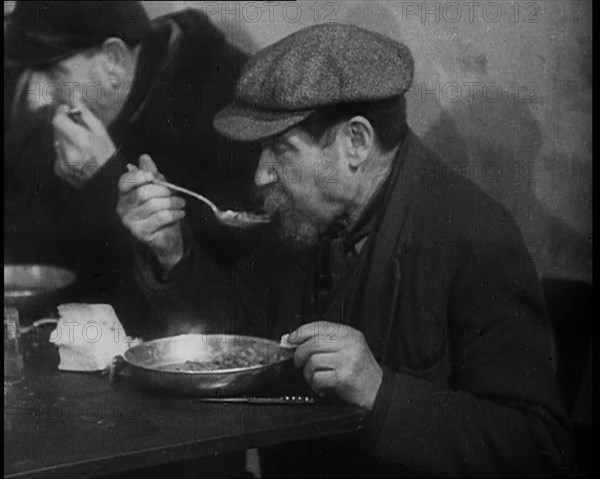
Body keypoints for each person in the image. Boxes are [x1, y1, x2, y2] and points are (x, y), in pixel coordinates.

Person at [118, 24, 574, 476]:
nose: (261, 176)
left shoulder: (475, 237)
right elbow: (238, 345)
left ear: (356, 142)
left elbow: (538, 446)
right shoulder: (300, 222)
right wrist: (172, 253)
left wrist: (381, 392)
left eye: (280, 149)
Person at [4, 1, 259, 336]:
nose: (37, 98)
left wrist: (106, 182)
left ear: (112, 59)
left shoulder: (228, 115)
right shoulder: (65, 120)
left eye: (53, 74)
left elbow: (219, 310)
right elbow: (40, 264)